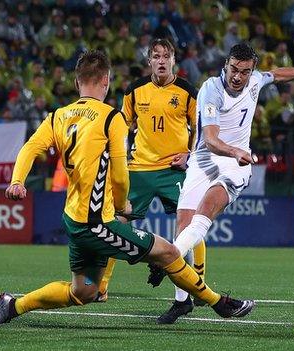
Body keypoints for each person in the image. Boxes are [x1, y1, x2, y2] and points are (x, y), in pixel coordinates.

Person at [0, 50, 254, 330]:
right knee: (168, 252)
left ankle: (11, 306)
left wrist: (17, 181)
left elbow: (30, 148)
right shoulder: (111, 118)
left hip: (74, 219)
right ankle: (218, 303)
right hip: (98, 223)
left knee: (83, 291)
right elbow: (120, 175)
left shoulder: (58, 116)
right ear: (106, 81)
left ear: (76, 83)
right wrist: (123, 205)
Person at [151, 42, 294, 324]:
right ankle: (181, 301)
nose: (238, 77)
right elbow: (211, 140)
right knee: (184, 227)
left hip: (235, 166)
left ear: (252, 71)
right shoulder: (211, 89)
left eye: (245, 72)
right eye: (234, 69)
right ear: (226, 65)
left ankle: (166, 260)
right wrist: (234, 149)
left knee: (206, 210)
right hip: (206, 158)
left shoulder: (256, 81)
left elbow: (278, 74)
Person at [97, 39, 199, 313]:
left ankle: (197, 284)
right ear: (150, 61)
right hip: (139, 169)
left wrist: (189, 155)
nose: (161, 60)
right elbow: (121, 126)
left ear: (174, 60)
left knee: (191, 223)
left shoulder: (188, 91)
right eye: (156, 56)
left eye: (166, 56)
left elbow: (199, 128)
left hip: (172, 170)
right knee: (115, 223)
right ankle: (101, 287)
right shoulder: (134, 90)